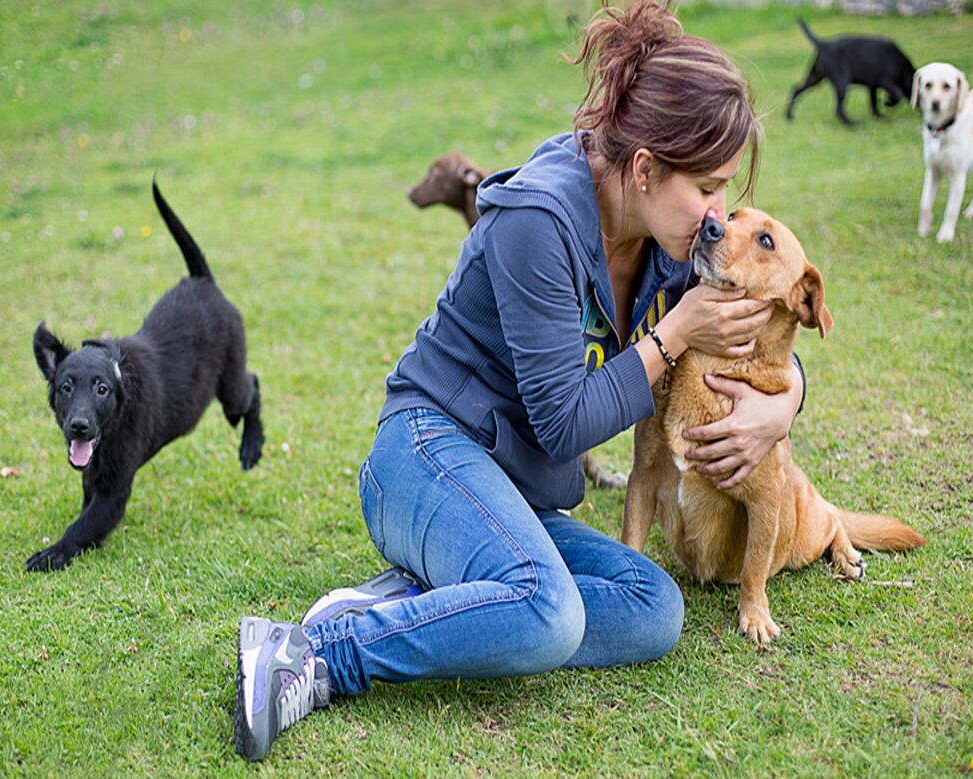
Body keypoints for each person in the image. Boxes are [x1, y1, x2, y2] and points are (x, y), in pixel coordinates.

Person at [233, 0, 807, 761]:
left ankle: (439, 601)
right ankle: (313, 652)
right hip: (426, 452)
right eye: (706, 187)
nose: (718, 214)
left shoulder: (673, 238)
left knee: (652, 607)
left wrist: (787, 398)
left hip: (512, 491)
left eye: (725, 190)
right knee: (550, 611)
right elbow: (564, 425)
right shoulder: (537, 219)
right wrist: (673, 337)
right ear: (643, 168)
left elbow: (770, 328)